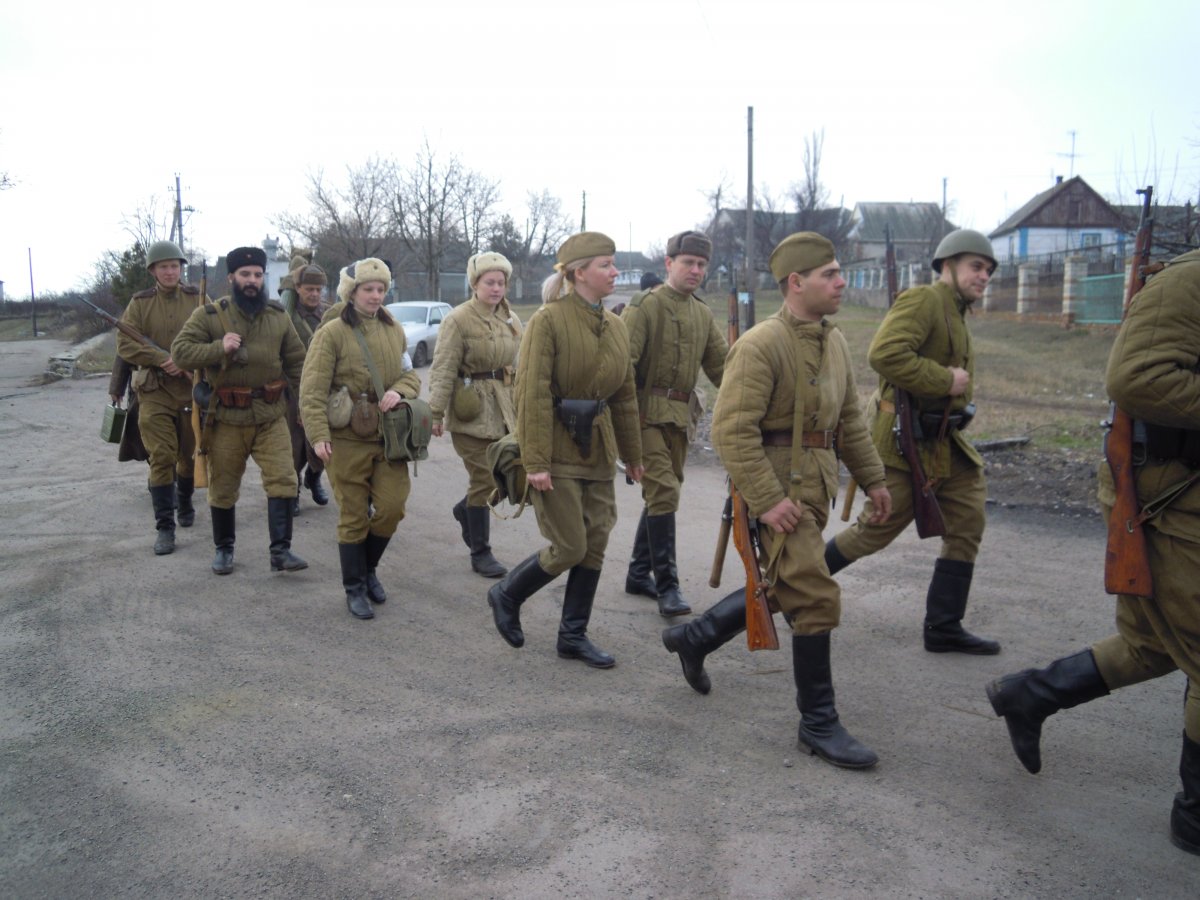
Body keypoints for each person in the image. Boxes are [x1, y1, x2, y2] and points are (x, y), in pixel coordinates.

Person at [986, 247, 1200, 855]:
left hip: (1182, 492)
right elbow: (1136, 378)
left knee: (1152, 645)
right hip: (1165, 497)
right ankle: (1195, 817)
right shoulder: (1190, 281)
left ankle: (1030, 695)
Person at [663, 232, 891, 769]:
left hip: (815, 485)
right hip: (775, 490)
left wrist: (875, 480)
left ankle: (696, 638)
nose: (840, 283)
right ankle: (818, 723)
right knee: (814, 595)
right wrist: (766, 500)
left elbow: (849, 420)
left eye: (839, 273)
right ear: (796, 283)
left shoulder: (833, 341)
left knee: (786, 585)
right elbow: (731, 430)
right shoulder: (761, 344)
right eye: (829, 275)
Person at [823, 228, 1001, 655]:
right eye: (976, 267)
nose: (984, 276)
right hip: (904, 442)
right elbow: (884, 354)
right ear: (948, 265)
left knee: (967, 523)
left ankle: (943, 626)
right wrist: (944, 380)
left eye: (989, 270)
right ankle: (792, 589)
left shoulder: (956, 310)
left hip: (943, 443)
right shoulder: (925, 300)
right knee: (873, 532)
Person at [486, 232, 644, 668]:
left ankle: (572, 636)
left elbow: (625, 397)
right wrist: (535, 461)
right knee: (570, 545)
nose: (614, 272)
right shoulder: (548, 321)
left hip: (598, 451)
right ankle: (507, 593)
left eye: (613, 264)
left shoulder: (616, 326)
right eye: (605, 265)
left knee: (595, 542)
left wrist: (634, 456)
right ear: (578, 273)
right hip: (555, 450)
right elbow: (532, 394)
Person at [171, 246, 308, 576]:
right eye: (245, 275)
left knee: (284, 479)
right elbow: (180, 353)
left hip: (270, 415)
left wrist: (305, 405)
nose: (252, 280)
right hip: (227, 418)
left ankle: (281, 551)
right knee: (223, 486)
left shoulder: (278, 316)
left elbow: (298, 363)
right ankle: (224, 549)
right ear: (231, 277)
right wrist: (219, 347)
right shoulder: (209, 316)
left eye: (258, 275)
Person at [299, 258, 422, 620]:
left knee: (392, 507)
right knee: (354, 514)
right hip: (346, 438)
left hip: (387, 436)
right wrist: (318, 435)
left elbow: (411, 375)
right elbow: (312, 389)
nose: (376, 295)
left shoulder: (394, 329)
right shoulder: (331, 333)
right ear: (351, 293)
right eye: (368, 289)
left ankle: (368, 570)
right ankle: (355, 587)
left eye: (381, 289)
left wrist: (399, 391)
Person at [621, 230, 728, 617]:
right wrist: (623, 427)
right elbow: (623, 368)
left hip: (681, 419)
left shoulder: (702, 313)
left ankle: (638, 573)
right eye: (688, 263)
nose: (696, 270)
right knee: (664, 491)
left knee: (663, 494)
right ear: (669, 264)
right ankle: (668, 586)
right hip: (645, 416)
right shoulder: (645, 307)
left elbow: (724, 368)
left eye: (701, 264)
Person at [427, 251, 522, 578]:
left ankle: (466, 508)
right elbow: (443, 367)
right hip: (471, 410)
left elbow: (519, 366)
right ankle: (480, 552)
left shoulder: (511, 319)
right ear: (475, 284)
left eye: (501, 283)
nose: (496, 289)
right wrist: (435, 413)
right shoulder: (458, 319)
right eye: (489, 282)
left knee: (507, 476)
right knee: (484, 478)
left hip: (505, 409)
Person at [116, 240, 204, 555]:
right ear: (153, 271)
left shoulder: (197, 299)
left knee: (188, 456)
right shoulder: (140, 304)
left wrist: (185, 360)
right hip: (154, 391)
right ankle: (165, 527)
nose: (170, 272)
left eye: (174, 266)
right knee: (162, 457)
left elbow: (216, 335)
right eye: (163, 267)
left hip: (191, 391)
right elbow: (125, 344)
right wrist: (161, 358)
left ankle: (185, 500)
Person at [284, 261, 331, 513]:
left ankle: (314, 477)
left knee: (322, 438)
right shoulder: (287, 314)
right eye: (309, 289)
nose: (314, 294)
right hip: (292, 387)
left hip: (323, 387)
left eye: (318, 289)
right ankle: (292, 489)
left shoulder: (330, 314)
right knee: (293, 444)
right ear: (298, 288)